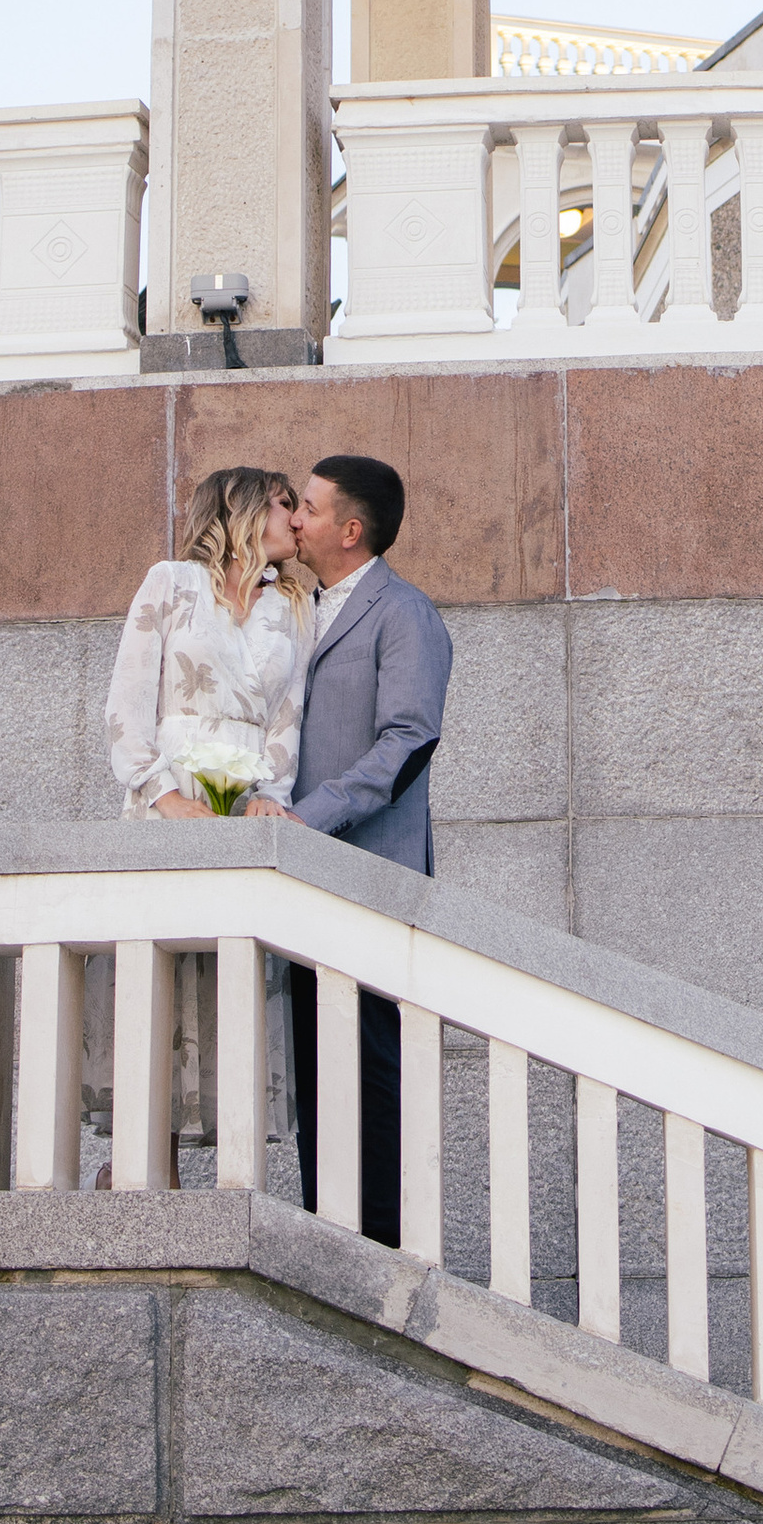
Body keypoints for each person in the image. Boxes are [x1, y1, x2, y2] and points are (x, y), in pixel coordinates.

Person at [265, 452, 454, 1246]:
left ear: (350, 528)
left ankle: (382, 1256)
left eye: (306, 507)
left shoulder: (403, 613)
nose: (294, 518)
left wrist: (310, 819)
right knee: (318, 1071)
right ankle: (330, 1243)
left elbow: (410, 739)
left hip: (369, 878)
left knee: (374, 1073)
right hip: (313, 885)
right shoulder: (306, 610)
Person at [102, 463, 311, 1179]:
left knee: (235, 985)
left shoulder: (292, 607)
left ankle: (233, 1180)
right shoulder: (171, 583)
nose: (297, 521)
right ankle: (138, 1166)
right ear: (247, 510)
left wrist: (269, 793)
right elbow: (127, 701)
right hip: (172, 797)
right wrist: (162, 793)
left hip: (245, 805)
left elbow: (291, 719)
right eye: (287, 505)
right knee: (158, 982)